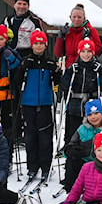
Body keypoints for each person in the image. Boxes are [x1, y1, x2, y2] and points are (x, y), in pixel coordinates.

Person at [17, 30, 61, 182]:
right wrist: (22, 67)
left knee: (45, 137)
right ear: (32, 44)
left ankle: (46, 167)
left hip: (45, 103)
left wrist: (56, 71)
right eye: (36, 43)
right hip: (28, 103)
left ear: (45, 44)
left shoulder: (49, 62)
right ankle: (32, 166)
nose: (38, 46)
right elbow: (17, 80)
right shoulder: (27, 61)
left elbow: (58, 80)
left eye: (41, 43)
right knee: (30, 137)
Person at [3, 0, 44, 139]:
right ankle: (13, 131)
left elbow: (40, 42)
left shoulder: (34, 22)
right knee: (11, 97)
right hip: (9, 57)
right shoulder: (7, 20)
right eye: (19, 3)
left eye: (24, 4)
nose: (21, 7)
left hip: (26, 57)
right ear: (15, 5)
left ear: (28, 6)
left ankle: (24, 132)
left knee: (23, 96)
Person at [60, 98, 102, 193]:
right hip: (84, 164)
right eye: (90, 115)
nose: (93, 117)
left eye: (96, 113)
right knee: (72, 161)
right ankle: (71, 189)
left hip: (101, 165)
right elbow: (69, 146)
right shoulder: (82, 129)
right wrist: (71, 151)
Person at [59, 38, 102, 146]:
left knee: (90, 134)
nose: (86, 54)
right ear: (79, 52)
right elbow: (64, 86)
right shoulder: (73, 68)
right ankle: (70, 153)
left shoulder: (97, 69)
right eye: (83, 51)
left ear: (93, 53)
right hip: (75, 107)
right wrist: (68, 74)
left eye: (89, 51)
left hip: (92, 108)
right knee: (72, 133)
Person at [54, 4, 102, 71]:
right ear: (70, 17)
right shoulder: (67, 31)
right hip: (68, 68)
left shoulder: (91, 30)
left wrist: (88, 39)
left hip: (84, 69)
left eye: (79, 17)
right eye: (74, 17)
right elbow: (58, 53)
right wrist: (60, 37)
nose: (76, 19)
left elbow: (97, 51)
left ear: (84, 18)